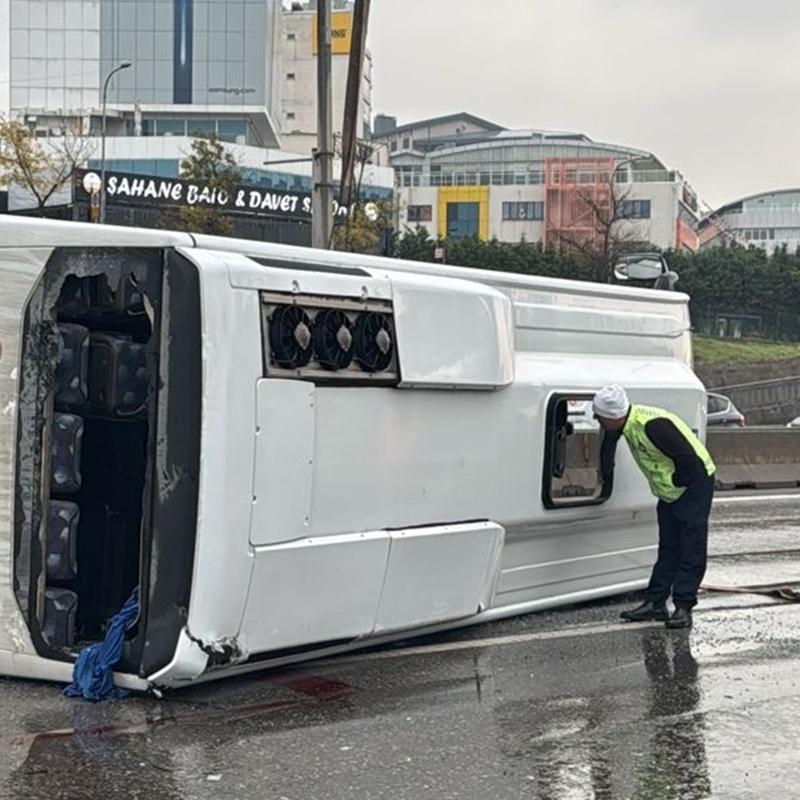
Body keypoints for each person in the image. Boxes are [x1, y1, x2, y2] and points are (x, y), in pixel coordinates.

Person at [592, 385, 716, 629]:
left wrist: (676, 483)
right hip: (670, 492)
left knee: (690, 546)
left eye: (599, 416)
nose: (596, 419)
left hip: (694, 484)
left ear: (614, 416)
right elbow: (609, 443)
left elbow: (688, 460)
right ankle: (655, 603)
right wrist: (604, 474)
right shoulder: (623, 423)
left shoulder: (653, 425)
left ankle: (683, 606)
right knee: (668, 546)